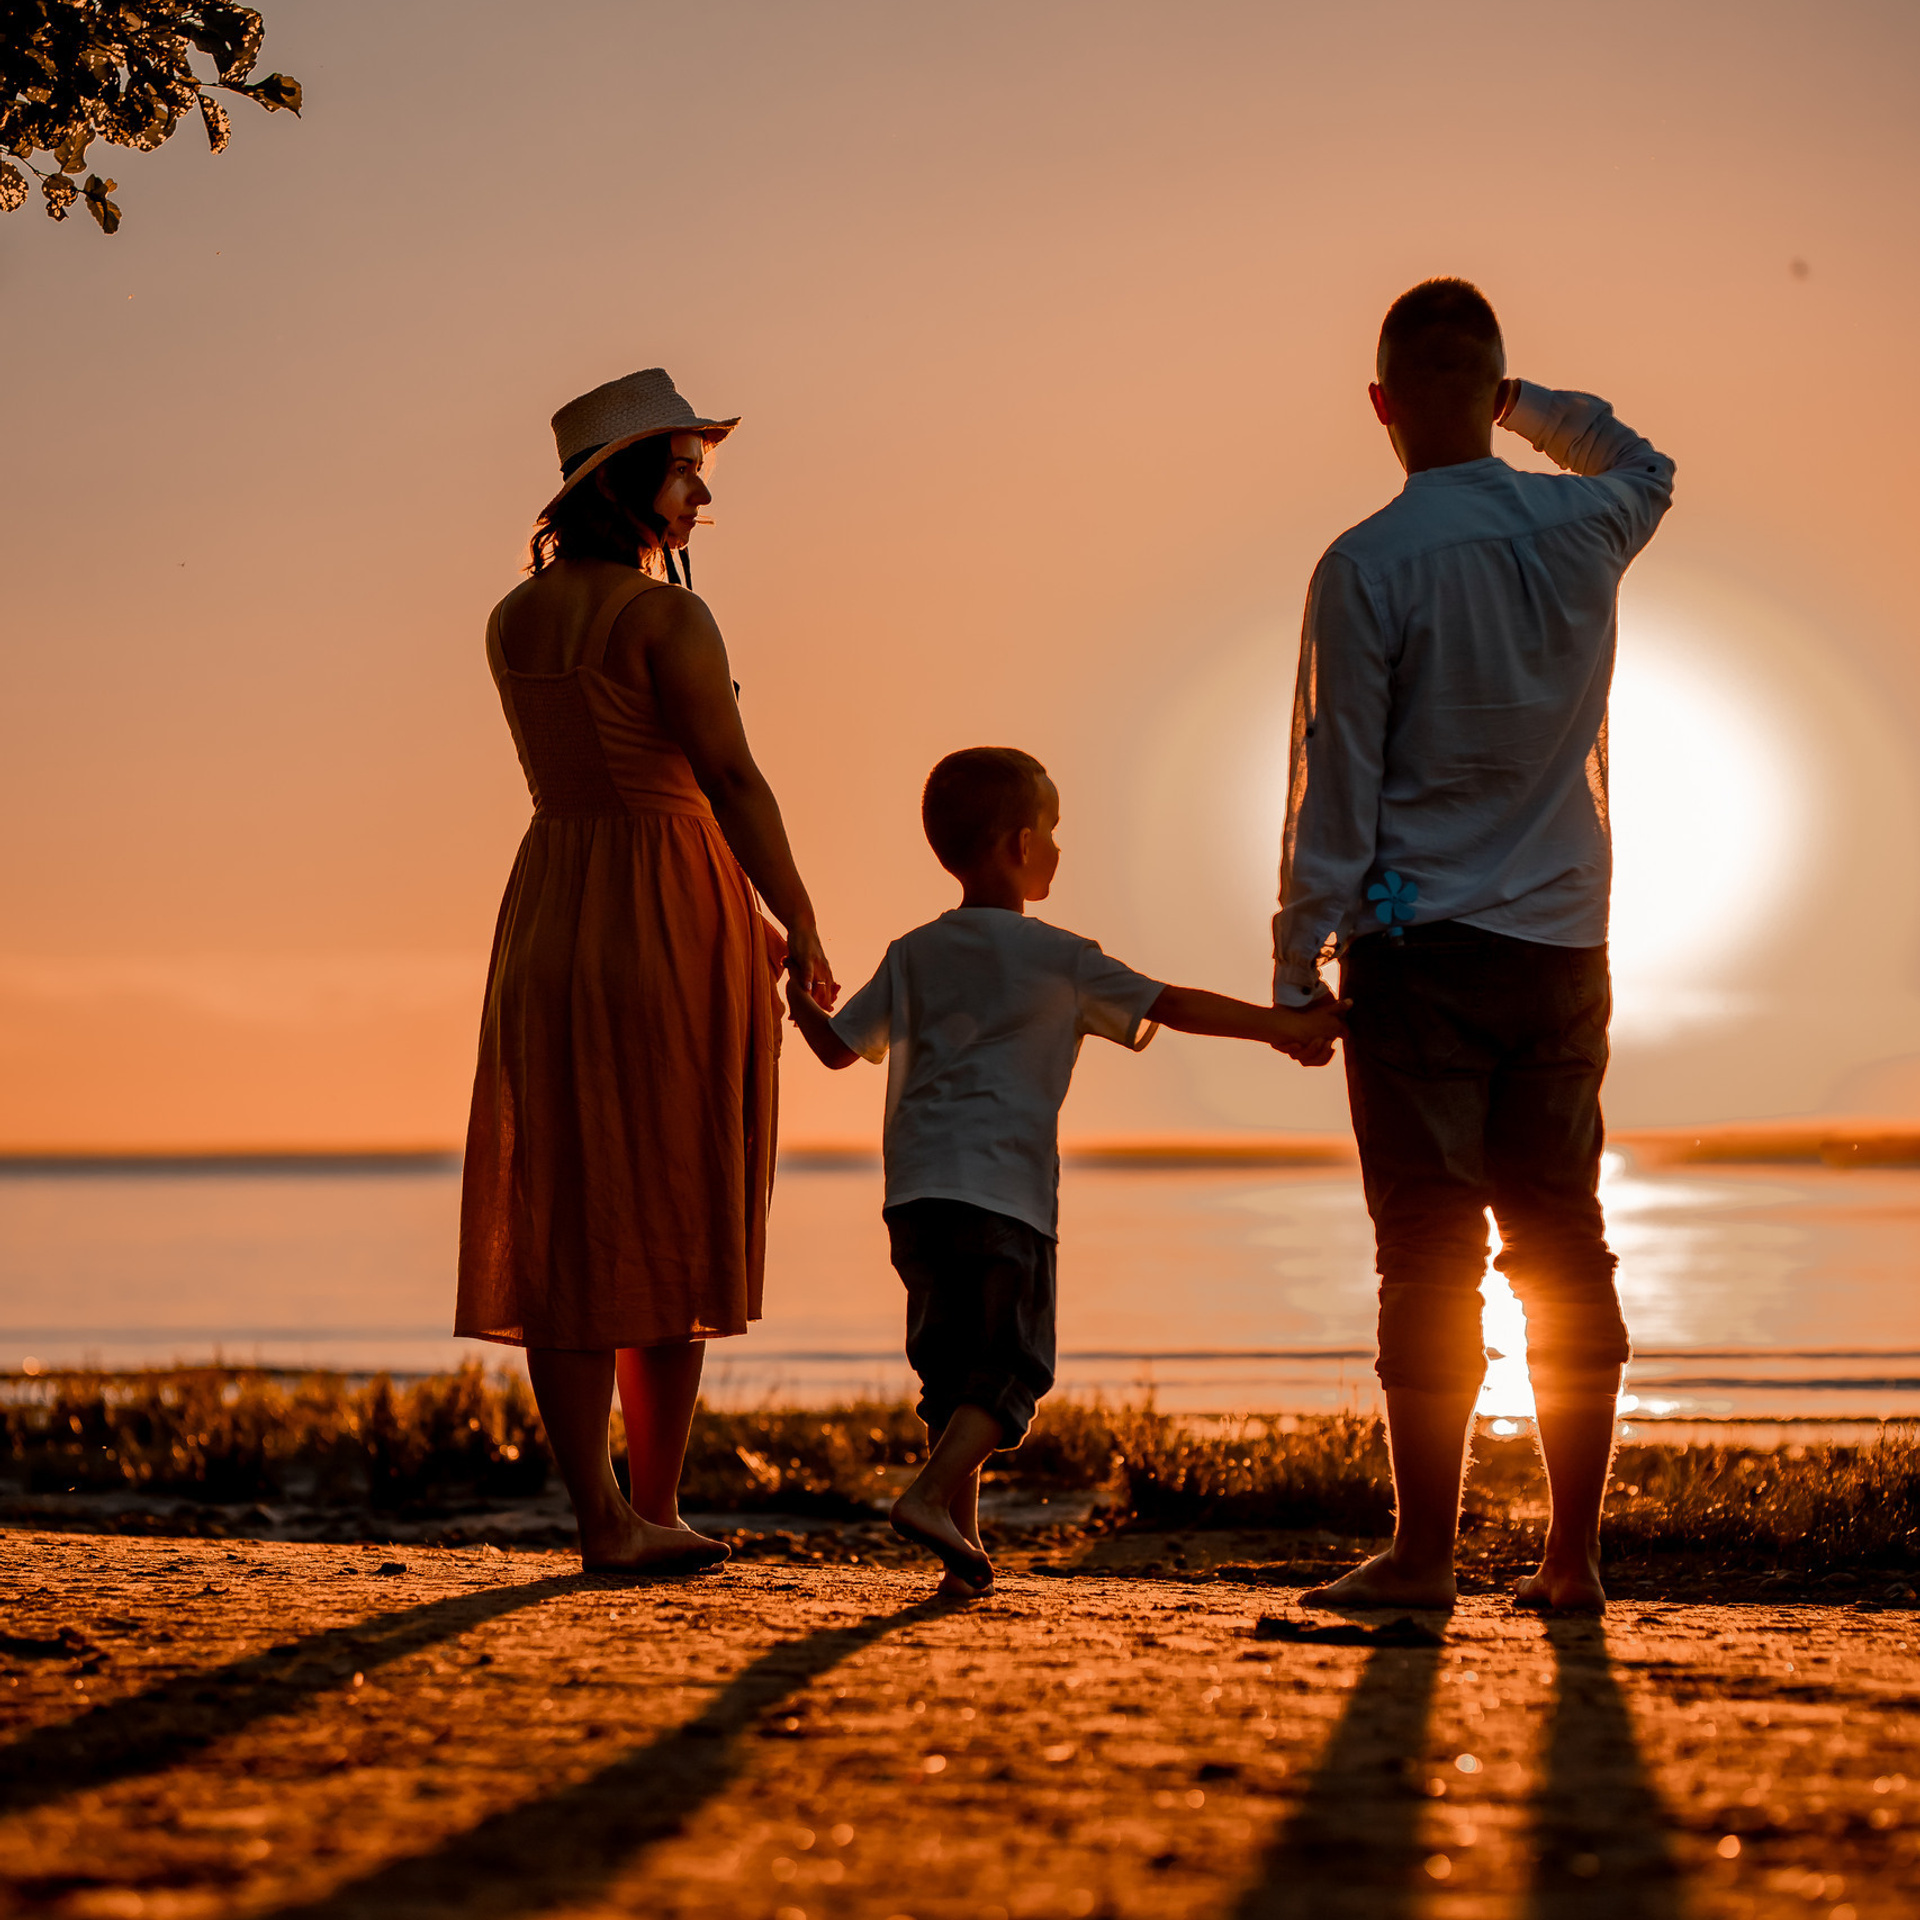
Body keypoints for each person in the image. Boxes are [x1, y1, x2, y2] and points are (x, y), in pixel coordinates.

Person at [1273, 280, 1675, 1613]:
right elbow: (1645, 458)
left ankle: (1428, 1556)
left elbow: (1341, 780)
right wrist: (1535, 409)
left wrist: (1295, 961)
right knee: (1565, 1236)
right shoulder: (1585, 518)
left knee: (1428, 1246)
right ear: (1497, 393)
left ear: (1380, 404)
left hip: (1418, 945)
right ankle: (1573, 1557)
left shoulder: (1367, 563)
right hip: (1564, 942)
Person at [788, 747, 1347, 1595]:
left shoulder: (913, 952)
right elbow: (1174, 1005)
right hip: (1005, 1197)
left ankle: (958, 1546)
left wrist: (801, 1002)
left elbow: (836, 1051)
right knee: (1012, 1366)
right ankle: (932, 1496)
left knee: (950, 1374)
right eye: (1052, 828)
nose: (1058, 845)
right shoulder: (1060, 957)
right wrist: (1284, 1025)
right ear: (1019, 844)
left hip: (914, 1197)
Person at [456, 368, 836, 1573]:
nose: (701, 489)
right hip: (670, 910)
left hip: (555, 907)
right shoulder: (670, 618)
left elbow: (604, 765)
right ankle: (656, 1505)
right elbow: (727, 782)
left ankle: (603, 1517)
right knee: (676, 1202)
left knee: (565, 1216)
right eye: (683, 468)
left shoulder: (511, 620)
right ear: (625, 482)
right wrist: (801, 916)